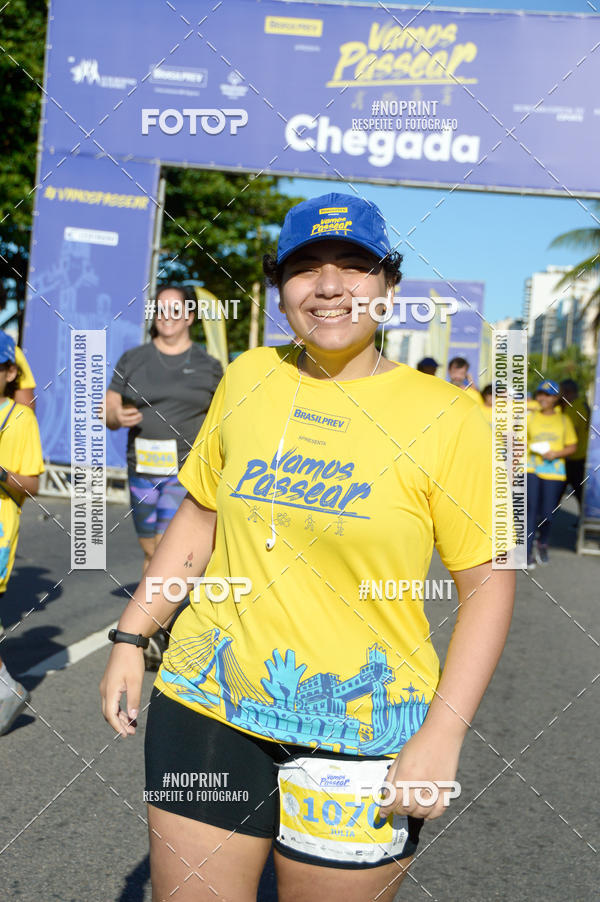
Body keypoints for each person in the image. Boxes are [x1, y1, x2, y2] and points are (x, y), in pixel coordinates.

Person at [100, 193, 515, 901]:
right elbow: (201, 516)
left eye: (354, 265)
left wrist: (442, 734)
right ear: (279, 288)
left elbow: (489, 584)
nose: (328, 285)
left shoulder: (451, 418)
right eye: (304, 267)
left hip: (362, 733)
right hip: (207, 707)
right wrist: (132, 635)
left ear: (389, 286)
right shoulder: (248, 377)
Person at [104, 284, 222, 667]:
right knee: (150, 551)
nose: (166, 316)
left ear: (189, 317)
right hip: (141, 469)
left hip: (184, 471)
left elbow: (223, 416)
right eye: (160, 309)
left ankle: (152, 631)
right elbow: (109, 409)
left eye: (175, 310)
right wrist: (117, 416)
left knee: (162, 547)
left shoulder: (208, 366)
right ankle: (163, 620)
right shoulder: (134, 359)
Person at [0, 333, 44, 735]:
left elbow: (32, 484)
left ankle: (6, 689)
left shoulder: (20, 419)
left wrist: (1, 473)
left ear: (10, 372)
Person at [526, 379, 577, 567]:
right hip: (531, 469)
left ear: (556, 398)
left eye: (548, 395)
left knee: (548, 513)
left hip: (554, 472)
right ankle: (527, 552)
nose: (543, 398)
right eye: (540, 394)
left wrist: (555, 453)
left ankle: (542, 542)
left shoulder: (564, 420)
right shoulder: (530, 417)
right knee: (530, 511)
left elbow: (572, 446)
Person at [559, 379, 590, 516]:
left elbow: (571, 434)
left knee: (557, 491)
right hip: (580, 456)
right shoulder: (582, 404)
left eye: (561, 392)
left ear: (568, 392)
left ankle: (544, 520)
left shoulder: (574, 408)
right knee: (580, 493)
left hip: (572, 457)